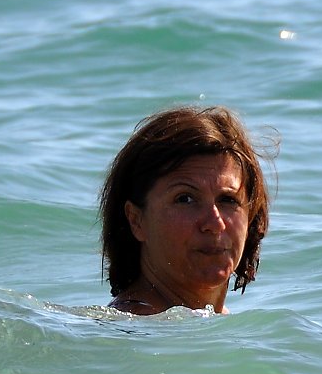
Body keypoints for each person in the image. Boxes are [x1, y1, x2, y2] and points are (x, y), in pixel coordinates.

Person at [100, 105, 270, 315]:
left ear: (251, 216)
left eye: (228, 200)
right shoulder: (137, 325)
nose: (215, 223)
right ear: (136, 220)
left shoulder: (204, 320)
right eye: (185, 199)